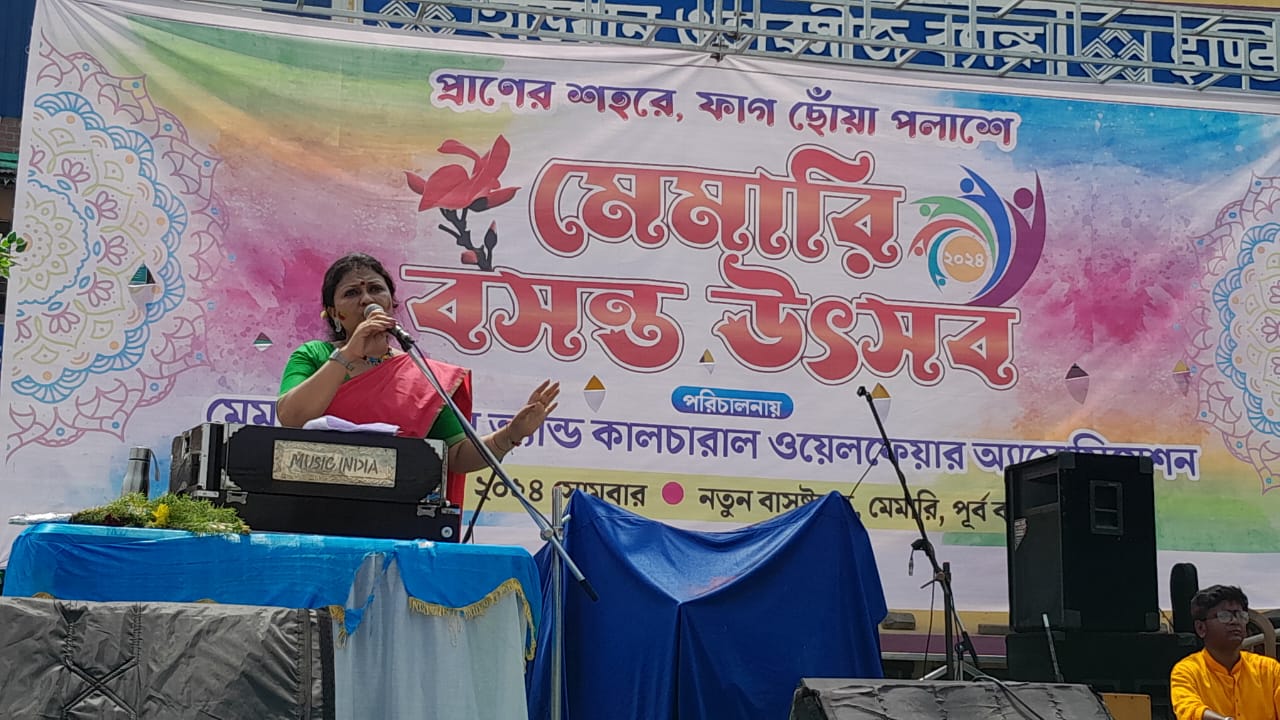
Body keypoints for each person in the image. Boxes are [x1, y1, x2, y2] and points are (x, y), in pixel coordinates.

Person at [277, 252, 559, 507]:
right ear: (334, 313)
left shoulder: (422, 373)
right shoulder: (314, 356)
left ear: (391, 303)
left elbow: (457, 455)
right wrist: (350, 352)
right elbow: (292, 417)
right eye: (352, 293)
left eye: (375, 289)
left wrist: (510, 434)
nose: (366, 300)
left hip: (395, 511)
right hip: (315, 502)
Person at [1171, 584, 1280, 720]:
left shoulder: (1269, 669)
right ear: (1200, 628)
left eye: (1241, 616)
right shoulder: (1187, 671)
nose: (1235, 621)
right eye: (1225, 616)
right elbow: (1191, 711)